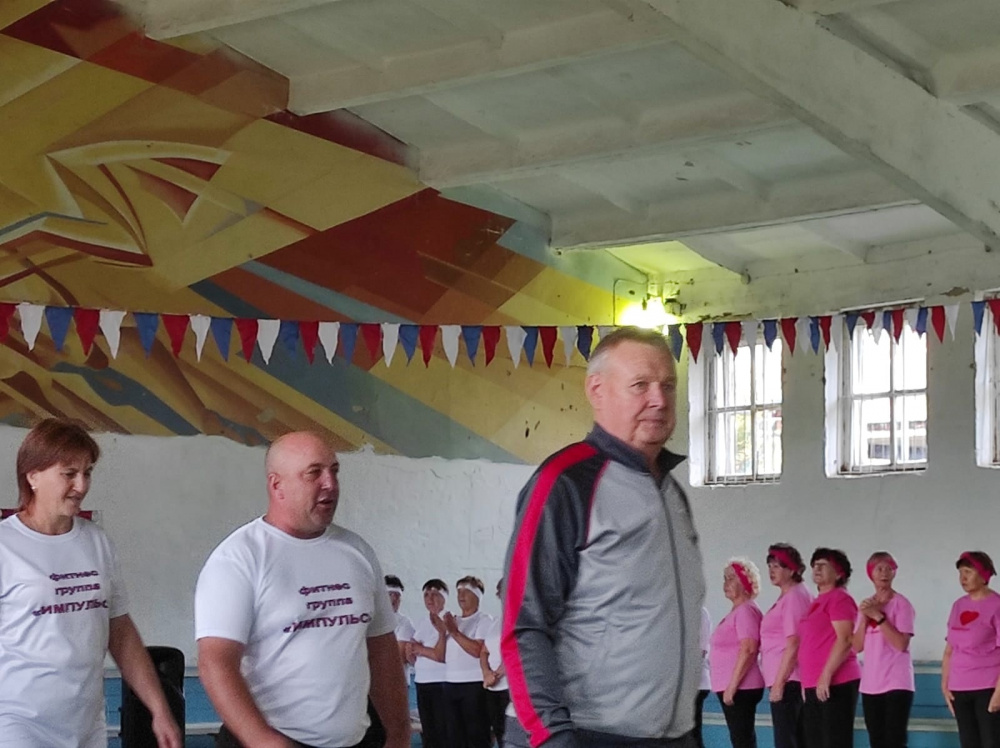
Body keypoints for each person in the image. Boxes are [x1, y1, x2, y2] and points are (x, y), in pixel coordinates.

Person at [502, 326, 705, 748]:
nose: (659, 399)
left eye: (668, 385)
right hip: (583, 736)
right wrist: (553, 736)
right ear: (597, 390)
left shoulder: (672, 493)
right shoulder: (565, 483)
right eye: (640, 385)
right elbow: (524, 625)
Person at [195, 431, 409, 748]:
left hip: (357, 740)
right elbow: (215, 663)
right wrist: (264, 742)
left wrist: (399, 730)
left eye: (334, 471)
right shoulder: (239, 558)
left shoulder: (357, 552)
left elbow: (381, 649)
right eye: (314, 473)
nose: (330, 484)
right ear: (277, 485)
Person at [0, 418, 182, 748]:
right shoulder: (6, 545)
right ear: (33, 475)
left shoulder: (96, 541)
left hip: (86, 725)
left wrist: (159, 708)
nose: (81, 486)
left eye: (88, 472)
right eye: (69, 474)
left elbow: (120, 631)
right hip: (17, 723)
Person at [798, 548, 861, 748]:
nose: (817, 568)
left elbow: (845, 640)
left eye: (823, 565)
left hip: (836, 681)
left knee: (834, 741)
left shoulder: (840, 598)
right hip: (813, 682)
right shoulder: (817, 602)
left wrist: (826, 675)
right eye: (815, 565)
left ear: (839, 573)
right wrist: (806, 683)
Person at [852, 552, 915, 748]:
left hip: (896, 682)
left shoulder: (902, 604)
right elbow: (857, 646)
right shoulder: (866, 605)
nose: (884, 573)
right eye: (879, 569)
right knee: (876, 740)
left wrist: (879, 617)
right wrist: (865, 618)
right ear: (871, 574)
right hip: (871, 683)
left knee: (894, 740)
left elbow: (901, 644)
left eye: (889, 569)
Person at [942, 551, 1000, 748]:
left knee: (991, 741)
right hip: (960, 686)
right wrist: (945, 685)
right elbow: (949, 650)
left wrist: (999, 693)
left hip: (988, 687)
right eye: (960, 573)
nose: (963, 578)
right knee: (968, 742)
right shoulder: (958, 605)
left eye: (968, 572)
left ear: (983, 576)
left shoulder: (996, 605)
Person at [760, 543, 812, 748]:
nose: (771, 571)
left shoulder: (793, 597)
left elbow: (794, 642)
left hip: (790, 679)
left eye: (777, 566)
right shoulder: (790, 595)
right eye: (770, 566)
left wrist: (779, 683)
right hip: (787, 678)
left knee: (786, 740)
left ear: (791, 569)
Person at [710, 558, 765, 748]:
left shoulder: (745, 611)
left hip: (741, 687)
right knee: (740, 739)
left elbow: (749, 648)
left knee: (742, 740)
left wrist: (732, 686)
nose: (726, 583)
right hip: (733, 686)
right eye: (725, 578)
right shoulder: (737, 611)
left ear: (746, 581)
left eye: (732, 578)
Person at [443, 576, 493, 748]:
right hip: (450, 683)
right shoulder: (453, 621)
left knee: (476, 736)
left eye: (466, 591)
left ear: (477, 596)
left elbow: (478, 650)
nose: (461, 595)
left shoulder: (484, 620)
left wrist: (454, 632)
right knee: (454, 738)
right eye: (458, 591)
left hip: (473, 684)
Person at [408, 579, 450, 748]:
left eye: (435, 594)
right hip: (422, 682)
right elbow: (412, 656)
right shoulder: (422, 622)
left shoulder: (449, 620)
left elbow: (441, 655)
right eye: (426, 595)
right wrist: (413, 650)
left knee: (442, 730)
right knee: (428, 731)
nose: (430, 599)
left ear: (444, 598)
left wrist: (420, 649)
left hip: (441, 682)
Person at [481, 579, 510, 747]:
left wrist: (497, 674)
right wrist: (487, 673)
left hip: (509, 686)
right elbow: (484, 651)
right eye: (501, 592)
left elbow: (516, 652)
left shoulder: (520, 619)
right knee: (499, 732)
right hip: (492, 687)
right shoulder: (496, 622)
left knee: (512, 733)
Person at [386, 575, 416, 671]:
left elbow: (400, 657)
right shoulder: (369, 620)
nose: (394, 599)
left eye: (397, 595)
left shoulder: (404, 622)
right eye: (390, 594)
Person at [695, 607, 712, 748]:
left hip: (695, 684)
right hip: (681, 684)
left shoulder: (699, 612)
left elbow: (700, 651)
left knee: (692, 733)